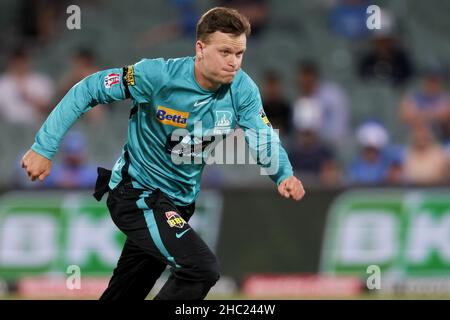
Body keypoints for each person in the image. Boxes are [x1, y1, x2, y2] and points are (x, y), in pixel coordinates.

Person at [20, 7, 305, 300]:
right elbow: (88, 89)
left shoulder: (242, 90)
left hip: (178, 203)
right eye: (225, 52)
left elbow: (262, 135)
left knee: (125, 293)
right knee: (201, 269)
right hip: (137, 194)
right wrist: (44, 147)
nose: (234, 62)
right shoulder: (157, 76)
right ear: (201, 48)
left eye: (239, 53)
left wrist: (283, 173)